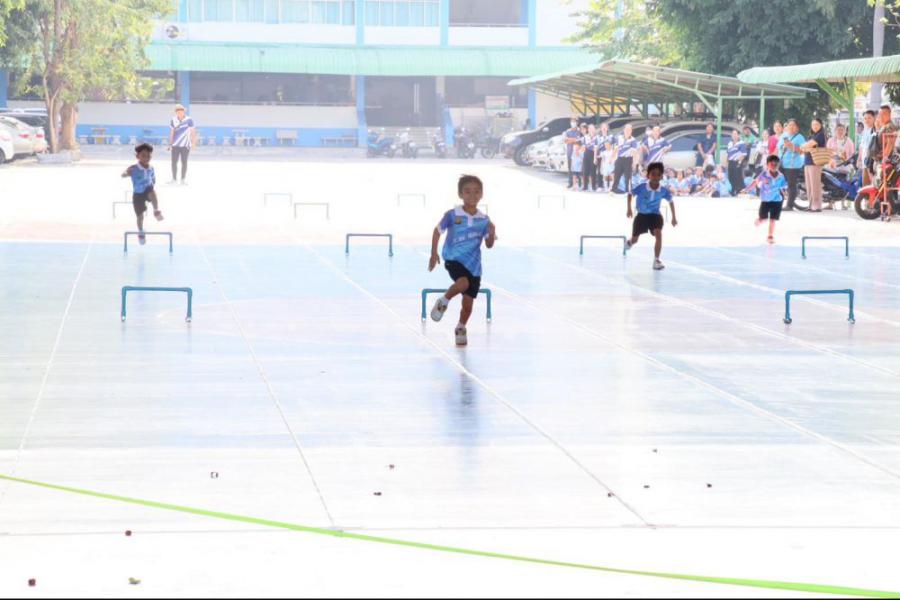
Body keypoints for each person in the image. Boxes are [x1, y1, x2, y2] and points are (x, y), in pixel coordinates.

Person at [428, 175, 496, 347]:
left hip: (474, 267)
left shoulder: (484, 220)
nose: (472, 195)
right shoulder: (452, 215)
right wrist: (433, 253)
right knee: (463, 282)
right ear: (460, 194)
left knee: (468, 305)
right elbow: (437, 231)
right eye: (467, 191)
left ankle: (461, 327)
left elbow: (489, 245)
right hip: (453, 258)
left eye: (476, 191)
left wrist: (492, 231)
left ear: (481, 194)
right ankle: (443, 301)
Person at [625, 162, 677, 271]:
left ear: (661, 177)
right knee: (635, 239)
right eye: (653, 174)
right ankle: (629, 242)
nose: (655, 177)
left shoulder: (663, 190)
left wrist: (674, 217)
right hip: (642, 216)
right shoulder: (642, 187)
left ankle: (656, 260)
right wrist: (629, 208)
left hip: (655, 215)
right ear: (648, 175)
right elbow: (630, 194)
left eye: (658, 174)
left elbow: (671, 201)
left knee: (658, 234)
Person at [122, 143, 164, 245]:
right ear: (137, 156)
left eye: (148, 156)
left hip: (148, 190)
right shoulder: (134, 168)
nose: (146, 158)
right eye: (143, 156)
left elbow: (153, 178)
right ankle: (141, 232)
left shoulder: (151, 168)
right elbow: (124, 174)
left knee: (152, 192)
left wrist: (153, 183)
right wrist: (126, 174)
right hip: (138, 194)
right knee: (140, 217)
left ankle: (156, 211)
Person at [742, 154, 787, 244]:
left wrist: (785, 194)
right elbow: (755, 182)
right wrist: (747, 189)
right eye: (771, 164)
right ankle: (760, 220)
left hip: (777, 201)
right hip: (765, 201)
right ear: (767, 165)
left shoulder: (781, 176)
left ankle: (770, 236)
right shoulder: (764, 174)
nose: (774, 166)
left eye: (776, 164)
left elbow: (783, 187)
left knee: (773, 219)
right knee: (764, 218)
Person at [777, 119, 805, 211]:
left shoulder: (800, 137)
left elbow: (802, 151)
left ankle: (789, 205)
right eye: (789, 125)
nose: (791, 127)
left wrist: (792, 146)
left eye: (793, 125)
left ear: (797, 127)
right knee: (779, 184)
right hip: (782, 164)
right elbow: (778, 148)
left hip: (793, 165)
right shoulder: (784, 136)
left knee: (791, 185)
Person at [801, 118, 827, 212]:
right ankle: (811, 204)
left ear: (821, 125)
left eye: (817, 124)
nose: (814, 126)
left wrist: (805, 146)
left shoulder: (821, 135)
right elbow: (804, 148)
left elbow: (808, 145)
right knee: (809, 185)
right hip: (807, 161)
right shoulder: (812, 135)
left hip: (815, 162)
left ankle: (817, 206)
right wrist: (805, 147)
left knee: (815, 184)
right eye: (813, 125)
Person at [168, 103, 197, 185]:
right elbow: (172, 132)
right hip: (175, 145)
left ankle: (183, 180)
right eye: (177, 111)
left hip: (185, 145)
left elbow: (193, 132)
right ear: (175, 112)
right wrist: (170, 144)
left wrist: (193, 143)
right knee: (174, 162)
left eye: (181, 110)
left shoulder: (189, 120)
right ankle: (174, 179)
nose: (179, 112)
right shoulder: (173, 120)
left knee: (184, 162)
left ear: (184, 111)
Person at [612, 123, 640, 193]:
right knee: (617, 175)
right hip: (619, 159)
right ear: (624, 130)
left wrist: (634, 163)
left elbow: (634, 152)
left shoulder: (633, 140)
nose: (627, 131)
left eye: (629, 130)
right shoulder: (619, 138)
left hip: (628, 159)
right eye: (626, 129)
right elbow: (616, 148)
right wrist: (612, 158)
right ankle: (614, 189)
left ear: (631, 131)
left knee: (628, 176)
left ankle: (628, 191)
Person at [726, 130, 749, 197]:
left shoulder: (741, 143)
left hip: (737, 162)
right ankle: (732, 191)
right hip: (730, 162)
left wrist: (739, 162)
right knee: (731, 176)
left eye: (735, 134)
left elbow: (744, 154)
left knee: (738, 177)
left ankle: (740, 191)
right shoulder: (730, 143)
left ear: (738, 135)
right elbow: (728, 154)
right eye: (733, 134)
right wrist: (727, 163)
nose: (734, 135)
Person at [858, 109, 877, 185]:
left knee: (873, 184)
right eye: (865, 118)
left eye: (869, 118)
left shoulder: (875, 131)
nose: (867, 120)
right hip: (865, 161)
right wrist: (859, 159)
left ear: (874, 118)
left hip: (872, 161)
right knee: (865, 185)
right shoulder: (865, 131)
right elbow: (861, 147)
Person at [594, 122, 614, 190]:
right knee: (600, 171)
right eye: (603, 127)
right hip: (601, 155)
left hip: (609, 156)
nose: (604, 128)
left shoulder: (611, 137)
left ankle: (609, 187)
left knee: (609, 171)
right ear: (600, 128)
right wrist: (594, 158)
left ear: (607, 128)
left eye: (605, 127)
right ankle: (600, 186)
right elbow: (595, 148)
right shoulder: (598, 137)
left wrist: (613, 157)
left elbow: (615, 147)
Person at [564, 118, 581, 189]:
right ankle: (570, 183)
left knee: (579, 168)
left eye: (574, 122)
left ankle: (579, 183)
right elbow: (565, 141)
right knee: (570, 168)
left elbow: (579, 141)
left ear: (577, 123)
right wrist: (574, 139)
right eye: (572, 122)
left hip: (577, 153)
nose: (573, 123)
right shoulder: (568, 131)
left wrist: (570, 139)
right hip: (570, 152)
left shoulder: (579, 131)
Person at [581, 123, 599, 191]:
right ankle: (585, 186)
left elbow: (596, 148)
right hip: (586, 153)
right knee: (585, 171)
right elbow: (583, 146)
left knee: (593, 171)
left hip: (593, 154)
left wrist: (595, 158)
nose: (591, 130)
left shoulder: (596, 137)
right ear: (588, 129)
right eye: (590, 128)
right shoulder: (585, 137)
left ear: (594, 130)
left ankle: (593, 186)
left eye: (593, 128)